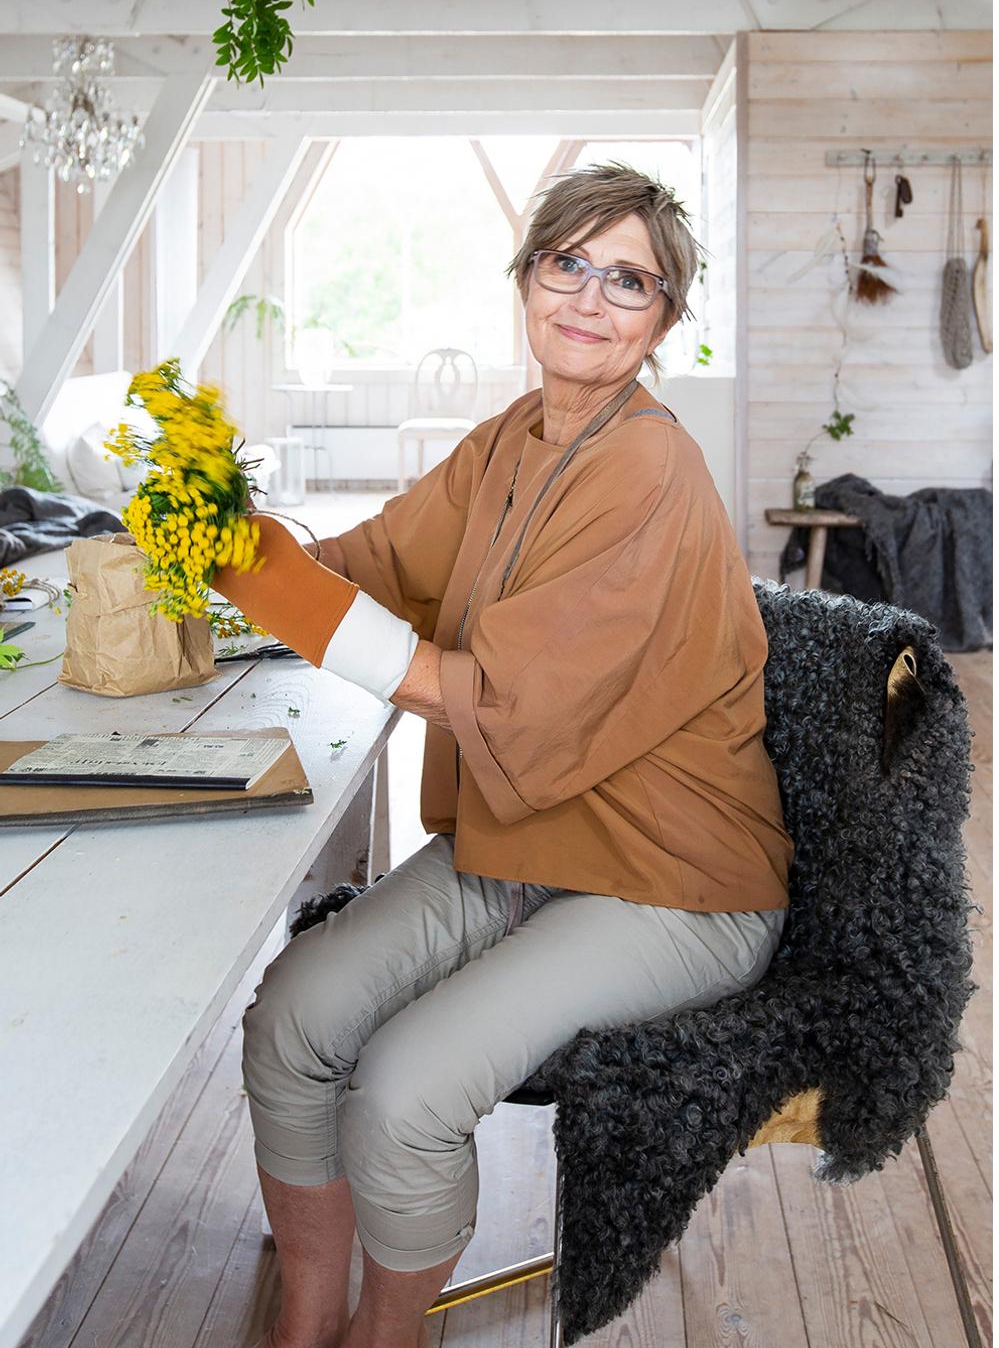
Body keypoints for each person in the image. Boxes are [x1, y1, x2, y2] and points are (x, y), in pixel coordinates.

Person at [214, 161, 792, 1348]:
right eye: (564, 262)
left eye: (626, 277)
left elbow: (498, 699)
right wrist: (243, 537)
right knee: (291, 1014)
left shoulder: (650, 470)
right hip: (531, 839)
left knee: (406, 1087)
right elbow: (372, 558)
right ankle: (305, 1319)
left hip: (671, 878)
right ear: (526, 278)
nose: (587, 295)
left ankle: (388, 1335)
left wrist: (290, 596)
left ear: (665, 316)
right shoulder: (510, 438)